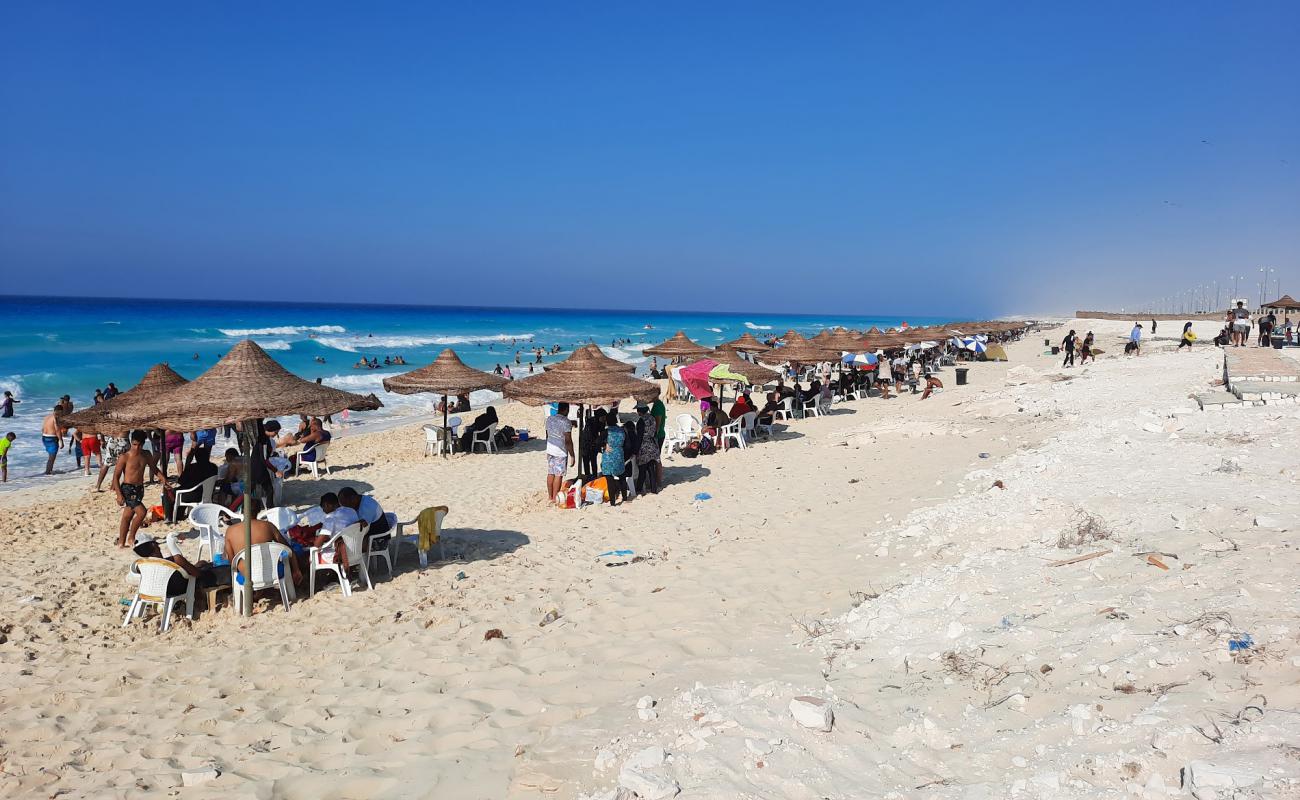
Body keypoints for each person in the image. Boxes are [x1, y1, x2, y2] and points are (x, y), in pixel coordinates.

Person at [223, 498, 304, 586]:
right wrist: (296, 570)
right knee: (295, 551)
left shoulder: (230, 531)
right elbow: (288, 549)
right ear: (258, 511)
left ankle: (256, 593)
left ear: (242, 511)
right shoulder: (268, 526)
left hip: (246, 577)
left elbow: (231, 560)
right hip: (271, 573)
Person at [112, 431, 158, 548]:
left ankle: (121, 542)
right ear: (131, 443)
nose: (136, 447)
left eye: (139, 445)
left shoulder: (146, 455)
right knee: (142, 512)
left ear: (143, 444)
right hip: (128, 488)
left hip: (139, 489)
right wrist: (118, 494)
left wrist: (163, 479)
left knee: (127, 516)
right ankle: (131, 537)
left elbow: (154, 468)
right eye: (134, 444)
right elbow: (116, 476)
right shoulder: (125, 457)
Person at [163, 445, 218, 520]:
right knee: (179, 492)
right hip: (205, 494)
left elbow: (181, 481)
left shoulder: (192, 467)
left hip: (191, 495)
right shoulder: (214, 467)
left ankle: (168, 517)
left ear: (196, 457)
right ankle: (178, 514)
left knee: (167, 492)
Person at [545, 403, 574, 503]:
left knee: (550, 473)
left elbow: (547, 434)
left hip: (550, 448)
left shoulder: (549, 419)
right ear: (566, 409)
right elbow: (568, 440)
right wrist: (572, 455)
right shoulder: (566, 422)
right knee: (558, 474)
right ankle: (554, 497)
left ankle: (550, 496)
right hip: (560, 451)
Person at [601, 414, 628, 506]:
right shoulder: (622, 430)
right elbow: (627, 444)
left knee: (610, 480)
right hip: (619, 455)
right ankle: (625, 497)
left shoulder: (606, 432)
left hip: (608, 457)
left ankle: (612, 502)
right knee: (622, 477)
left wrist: (604, 445)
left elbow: (597, 443)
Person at [634, 403, 660, 494]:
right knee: (651, 469)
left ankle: (638, 489)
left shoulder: (641, 421)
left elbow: (639, 437)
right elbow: (655, 431)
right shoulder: (652, 418)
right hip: (652, 445)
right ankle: (654, 489)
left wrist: (635, 450)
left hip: (644, 447)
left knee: (642, 470)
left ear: (640, 411)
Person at [578, 408, 607, 482]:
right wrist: (599, 444)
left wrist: (602, 443)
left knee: (594, 462)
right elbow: (590, 436)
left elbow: (602, 435)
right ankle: (588, 477)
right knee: (586, 462)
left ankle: (594, 477)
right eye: (603, 417)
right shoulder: (591, 423)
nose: (604, 419)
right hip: (586, 444)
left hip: (594, 444)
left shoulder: (601, 423)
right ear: (599, 416)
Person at [41, 406, 61, 475]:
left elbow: (42, 428)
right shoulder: (55, 418)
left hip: (44, 437)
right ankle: (48, 472)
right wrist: (61, 441)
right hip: (52, 438)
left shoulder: (47, 417)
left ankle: (49, 470)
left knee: (50, 455)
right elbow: (57, 430)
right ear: (59, 411)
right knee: (52, 457)